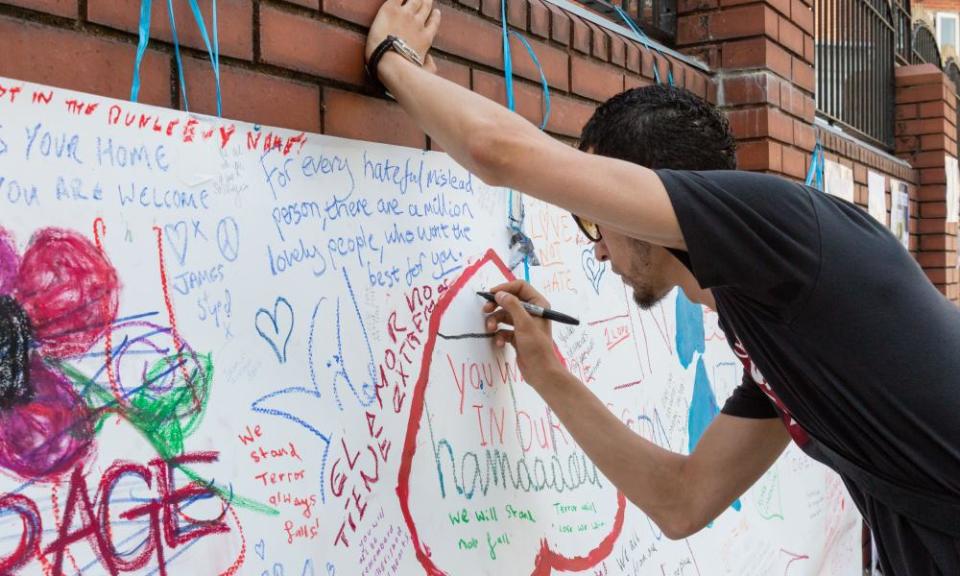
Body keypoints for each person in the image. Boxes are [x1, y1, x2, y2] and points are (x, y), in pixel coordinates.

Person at [361, 1, 960, 573]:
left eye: (594, 216)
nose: (595, 245)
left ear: (644, 194)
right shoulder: (775, 322)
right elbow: (684, 500)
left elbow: (500, 152)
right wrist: (548, 372)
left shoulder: (787, 225)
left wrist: (393, 58)